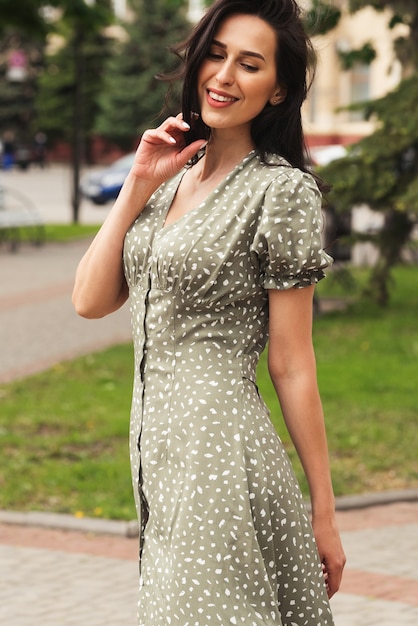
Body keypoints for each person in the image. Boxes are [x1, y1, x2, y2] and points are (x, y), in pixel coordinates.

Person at [73, 0, 346, 624]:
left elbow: (293, 362)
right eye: (216, 56)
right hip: (157, 450)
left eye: (249, 65)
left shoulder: (281, 191)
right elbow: (90, 301)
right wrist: (138, 184)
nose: (223, 76)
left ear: (277, 90)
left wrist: (323, 514)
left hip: (217, 452)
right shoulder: (172, 175)